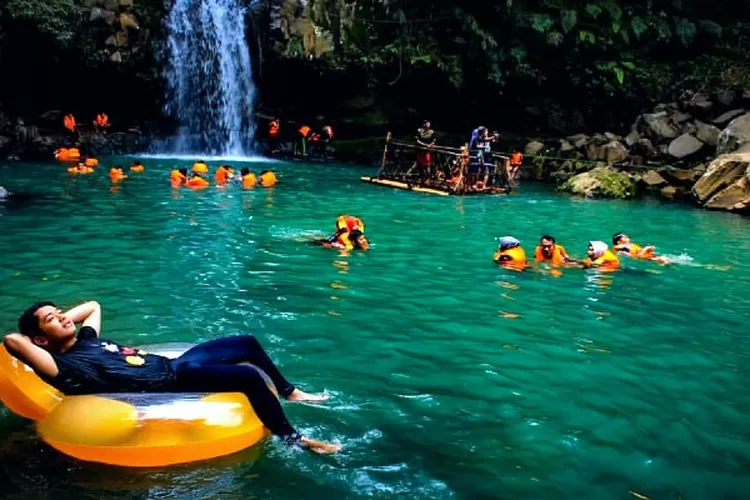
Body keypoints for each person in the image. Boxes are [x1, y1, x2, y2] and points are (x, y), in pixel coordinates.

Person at [3, 301, 341, 454]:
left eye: (61, 313)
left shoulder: (87, 339)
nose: (64, 317)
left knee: (246, 343)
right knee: (247, 378)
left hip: (175, 365)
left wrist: (57, 320)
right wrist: (43, 335)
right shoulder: (65, 368)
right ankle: (295, 441)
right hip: (170, 382)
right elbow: (12, 341)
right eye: (52, 318)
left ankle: (290, 391)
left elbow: (92, 305)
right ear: (41, 341)